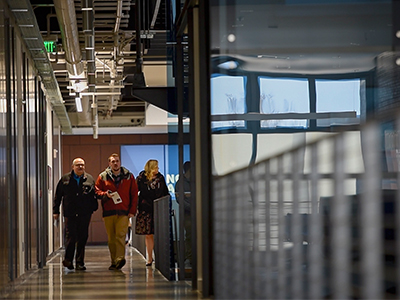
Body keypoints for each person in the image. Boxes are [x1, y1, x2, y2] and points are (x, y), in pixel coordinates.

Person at [53, 157, 98, 271]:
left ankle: (80, 262)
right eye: (77, 165)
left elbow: (94, 194)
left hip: (85, 213)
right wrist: (55, 211)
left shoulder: (89, 179)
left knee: (82, 238)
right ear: (73, 167)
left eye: (82, 165)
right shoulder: (65, 179)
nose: (80, 167)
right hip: (70, 213)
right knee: (71, 237)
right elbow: (58, 196)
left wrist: (93, 208)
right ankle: (68, 260)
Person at [95, 153, 138, 270]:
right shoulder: (103, 176)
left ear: (120, 162)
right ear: (109, 163)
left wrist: (132, 211)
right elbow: (96, 191)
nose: (115, 163)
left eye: (117, 161)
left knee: (120, 236)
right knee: (111, 238)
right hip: (109, 212)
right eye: (113, 161)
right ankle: (114, 261)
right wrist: (105, 194)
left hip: (124, 211)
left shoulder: (129, 176)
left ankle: (119, 259)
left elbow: (134, 194)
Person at [135, 159, 169, 266]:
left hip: (159, 208)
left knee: (160, 234)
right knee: (148, 234)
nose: (158, 169)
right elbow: (135, 193)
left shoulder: (160, 178)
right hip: (146, 209)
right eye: (156, 167)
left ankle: (160, 258)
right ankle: (149, 257)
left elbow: (165, 192)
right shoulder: (141, 178)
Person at [175, 161, 192, 267]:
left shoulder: (196, 181)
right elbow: (180, 199)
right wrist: (192, 208)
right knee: (190, 235)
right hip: (187, 213)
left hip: (196, 212)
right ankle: (190, 257)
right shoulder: (180, 183)